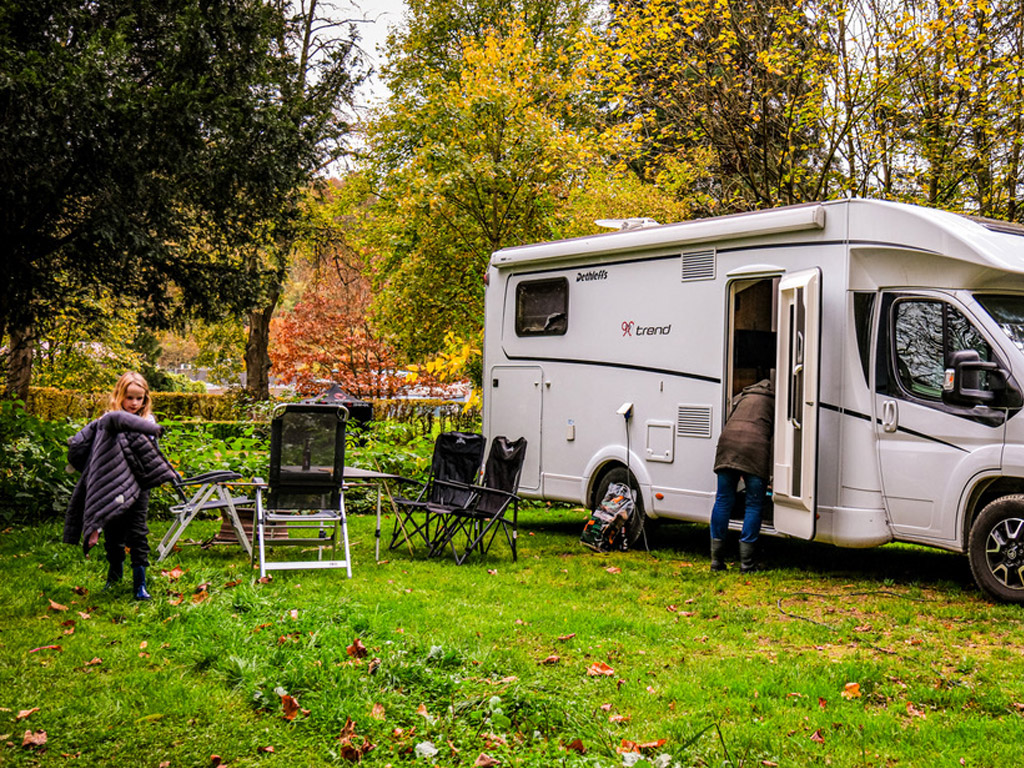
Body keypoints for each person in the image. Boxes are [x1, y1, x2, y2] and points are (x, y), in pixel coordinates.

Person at [63, 372, 177, 600]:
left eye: (140, 398)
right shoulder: (108, 421)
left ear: (146, 399)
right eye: (130, 398)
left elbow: (149, 457)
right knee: (113, 532)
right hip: (113, 486)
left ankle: (140, 583)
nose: (134, 403)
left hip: (139, 486)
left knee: (137, 532)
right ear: (119, 396)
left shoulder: (148, 423)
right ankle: (113, 575)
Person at [709, 378, 774, 573]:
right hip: (755, 448)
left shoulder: (742, 397)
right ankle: (747, 564)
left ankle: (716, 561)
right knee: (753, 504)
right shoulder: (775, 401)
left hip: (727, 444)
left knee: (722, 500)